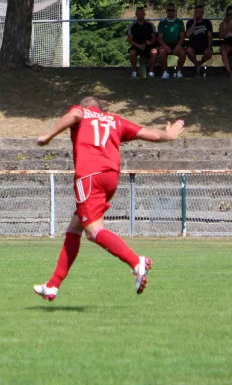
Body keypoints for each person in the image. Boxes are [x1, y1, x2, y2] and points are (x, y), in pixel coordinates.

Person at [33, 97, 185, 301]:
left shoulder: (83, 112)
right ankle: (53, 285)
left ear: (87, 106)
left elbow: (75, 115)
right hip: (110, 178)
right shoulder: (115, 120)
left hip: (89, 176)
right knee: (75, 227)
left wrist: (48, 136)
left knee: (93, 231)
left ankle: (136, 261)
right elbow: (149, 134)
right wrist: (168, 136)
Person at [127, 6, 158, 78]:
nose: (140, 16)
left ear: (144, 14)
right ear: (136, 14)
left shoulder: (150, 25)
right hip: (136, 45)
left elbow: (154, 37)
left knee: (154, 52)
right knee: (132, 53)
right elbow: (130, 40)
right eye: (138, 14)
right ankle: (134, 70)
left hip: (148, 45)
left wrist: (150, 42)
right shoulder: (132, 26)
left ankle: (151, 71)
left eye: (141, 14)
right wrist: (138, 46)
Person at [157, 3, 186, 79]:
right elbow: (159, 38)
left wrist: (178, 46)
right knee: (162, 52)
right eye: (168, 10)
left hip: (177, 44)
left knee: (183, 53)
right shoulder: (162, 22)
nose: (170, 11)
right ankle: (165, 71)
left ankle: (179, 71)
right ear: (166, 11)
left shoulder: (179, 22)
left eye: (172, 10)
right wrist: (166, 47)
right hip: (165, 44)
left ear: (175, 11)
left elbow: (182, 37)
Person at [185, 5, 214, 77]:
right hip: (193, 46)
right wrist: (194, 22)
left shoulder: (207, 22)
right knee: (188, 50)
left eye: (200, 12)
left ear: (203, 13)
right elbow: (187, 35)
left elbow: (210, 36)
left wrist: (209, 46)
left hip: (204, 45)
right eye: (197, 12)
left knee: (209, 52)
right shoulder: (189, 22)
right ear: (194, 12)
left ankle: (199, 64)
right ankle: (197, 65)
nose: (199, 13)